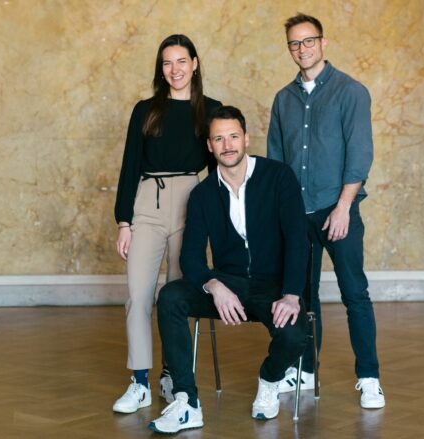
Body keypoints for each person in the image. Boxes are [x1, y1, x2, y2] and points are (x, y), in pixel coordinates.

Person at [148, 106, 308, 434]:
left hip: (271, 286)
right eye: (219, 139)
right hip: (227, 286)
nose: (228, 144)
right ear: (210, 146)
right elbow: (191, 256)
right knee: (170, 297)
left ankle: (270, 380)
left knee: (294, 333)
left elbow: (297, 240)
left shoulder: (279, 177)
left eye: (233, 136)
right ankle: (186, 402)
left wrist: (291, 295)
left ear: (246, 138)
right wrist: (213, 285)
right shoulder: (204, 194)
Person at [267, 13, 385, 409]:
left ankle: (369, 377)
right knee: (301, 296)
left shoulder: (350, 92)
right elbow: (276, 163)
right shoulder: (283, 100)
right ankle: (303, 369)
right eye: (295, 44)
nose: (302, 49)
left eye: (308, 41)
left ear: (323, 42)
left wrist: (343, 207)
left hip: (339, 211)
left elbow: (360, 154)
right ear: (290, 49)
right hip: (297, 216)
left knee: (355, 294)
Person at [112, 34, 222, 414]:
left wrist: (217, 221)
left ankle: (172, 375)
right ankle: (139, 381)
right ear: (161, 69)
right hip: (147, 200)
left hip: (190, 203)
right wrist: (123, 221)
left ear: (194, 63)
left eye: (181, 61)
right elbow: (129, 166)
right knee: (139, 295)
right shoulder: (145, 110)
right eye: (166, 63)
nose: (174, 70)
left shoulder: (210, 109)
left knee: (175, 296)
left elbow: (221, 169)